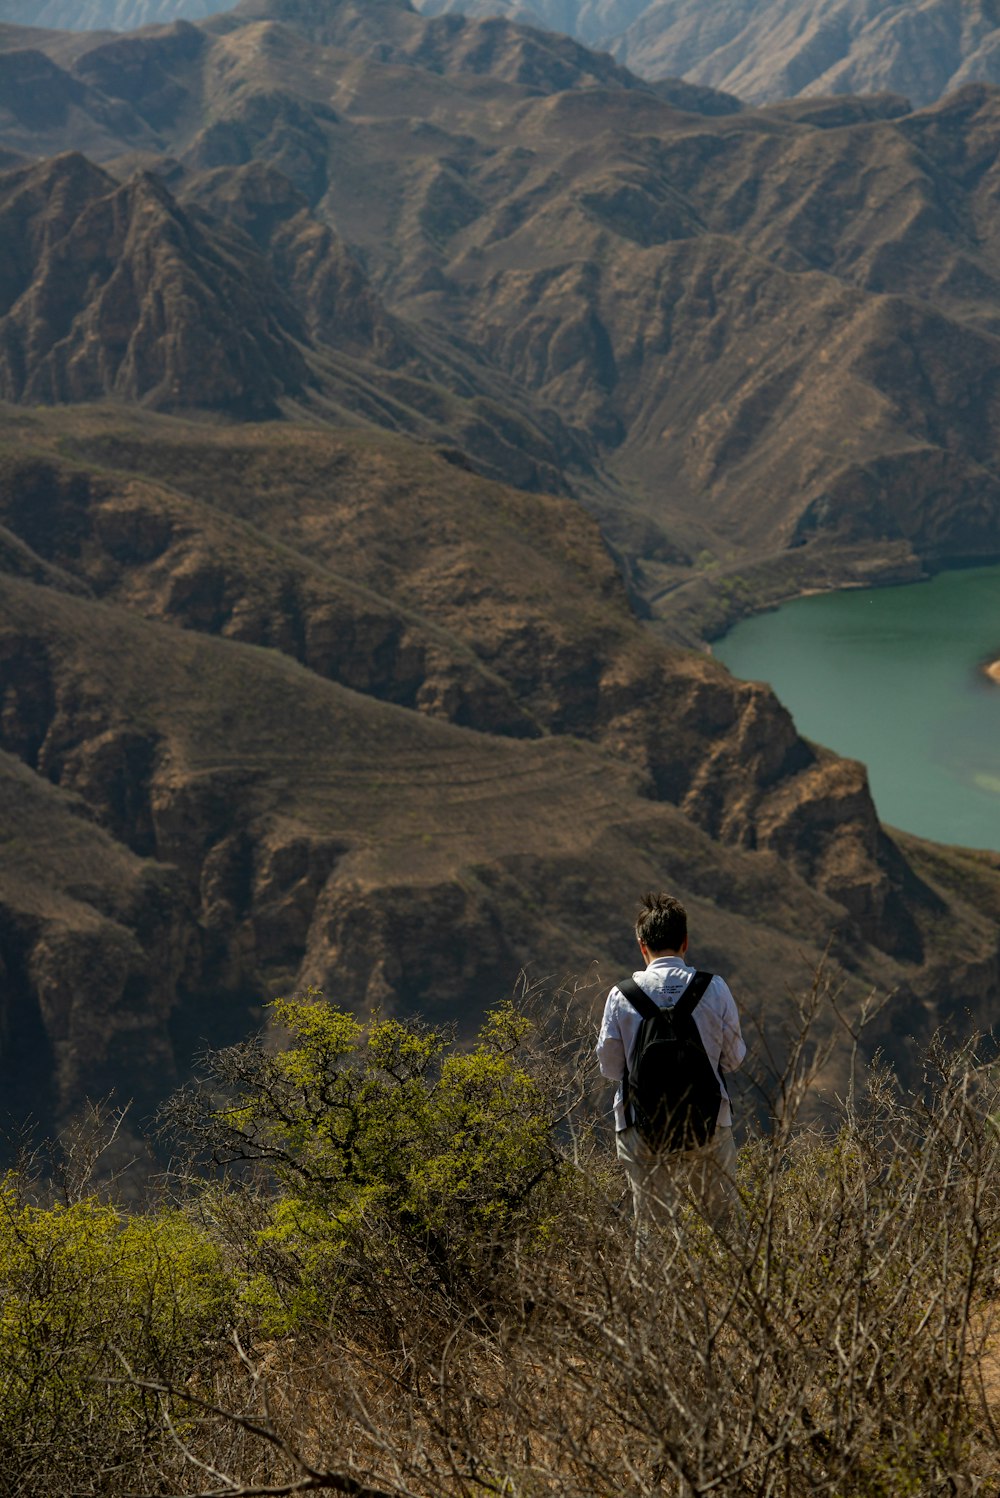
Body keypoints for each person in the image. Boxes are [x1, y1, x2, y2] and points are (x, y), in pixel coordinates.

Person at [596, 891, 746, 1236]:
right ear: (685, 942)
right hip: (708, 1123)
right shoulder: (714, 988)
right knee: (728, 1228)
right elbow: (735, 1059)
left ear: (641, 945)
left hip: (642, 1127)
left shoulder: (621, 995)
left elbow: (611, 1068)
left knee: (652, 1233)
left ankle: (656, 1290)